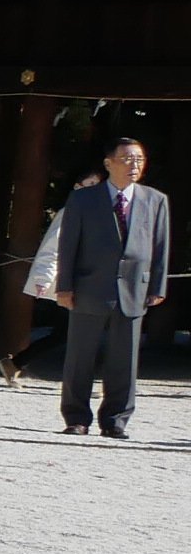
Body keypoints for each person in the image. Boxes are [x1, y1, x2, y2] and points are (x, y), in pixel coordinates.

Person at [52, 133, 173, 438]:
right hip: (88, 287)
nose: (135, 165)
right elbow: (68, 245)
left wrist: (157, 285)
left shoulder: (155, 200)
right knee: (80, 358)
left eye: (140, 159)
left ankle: (116, 420)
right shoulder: (83, 199)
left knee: (124, 360)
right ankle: (76, 418)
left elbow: (160, 246)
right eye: (127, 159)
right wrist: (64, 286)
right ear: (108, 163)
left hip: (134, 289)